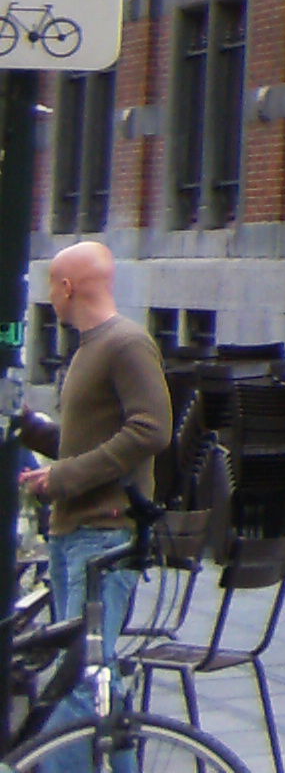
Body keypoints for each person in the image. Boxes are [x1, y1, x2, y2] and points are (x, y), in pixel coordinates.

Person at [15, 244, 170, 750]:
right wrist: (32, 434)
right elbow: (87, 442)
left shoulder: (125, 343)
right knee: (96, 684)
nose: (49, 300)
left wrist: (63, 479)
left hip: (102, 537)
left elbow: (151, 430)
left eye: (51, 288)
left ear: (67, 287)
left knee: (80, 684)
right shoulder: (89, 347)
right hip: (75, 533)